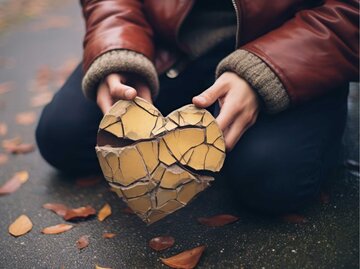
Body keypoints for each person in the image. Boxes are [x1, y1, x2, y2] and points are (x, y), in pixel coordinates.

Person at [36, 0, 359, 214]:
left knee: (272, 180)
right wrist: (118, 49)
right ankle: (189, 125)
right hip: (166, 43)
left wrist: (266, 73)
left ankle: (325, 116)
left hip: (295, 47)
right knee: (63, 138)